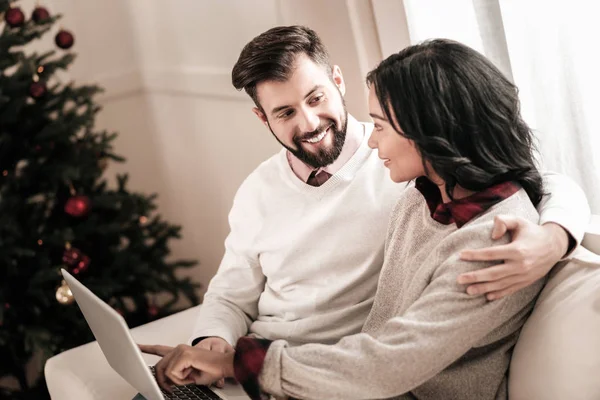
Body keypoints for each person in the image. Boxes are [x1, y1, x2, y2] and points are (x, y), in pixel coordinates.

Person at [140, 27, 590, 393]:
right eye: (286, 112)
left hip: (327, 374)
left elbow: (531, 183)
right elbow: (230, 290)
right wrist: (216, 347)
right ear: (264, 118)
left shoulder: (417, 188)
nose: (310, 124)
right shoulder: (421, 192)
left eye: (315, 99)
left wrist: (554, 237)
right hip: (286, 368)